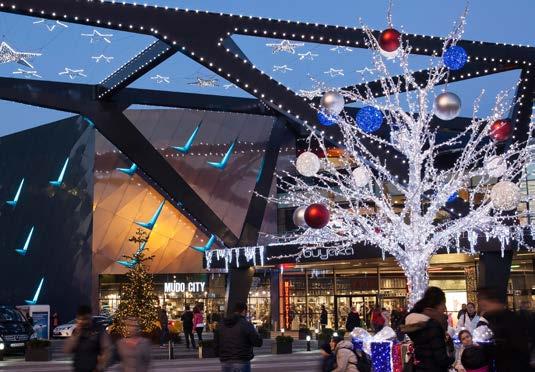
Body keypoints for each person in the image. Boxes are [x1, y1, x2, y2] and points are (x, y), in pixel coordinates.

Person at [476, 287, 531, 372]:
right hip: (502, 365)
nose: (480, 303)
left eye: (482, 300)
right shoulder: (490, 317)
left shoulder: (511, 319)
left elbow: (518, 348)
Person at [401, 287, 455, 371]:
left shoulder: (417, 323)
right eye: (443, 304)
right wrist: (452, 357)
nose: (444, 308)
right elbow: (441, 359)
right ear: (437, 305)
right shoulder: (433, 325)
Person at [214, 302, 263, 372]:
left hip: (225, 361)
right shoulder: (246, 324)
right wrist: (258, 334)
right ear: (244, 311)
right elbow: (258, 342)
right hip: (242, 360)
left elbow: (216, 343)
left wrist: (220, 355)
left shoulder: (221, 324)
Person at [64, 305, 111, 372]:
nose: (84, 321)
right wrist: (77, 333)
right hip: (78, 369)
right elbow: (67, 350)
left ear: (90, 317)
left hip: (94, 369)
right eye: (81, 319)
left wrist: (101, 366)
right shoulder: (76, 331)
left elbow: (107, 349)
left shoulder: (98, 329)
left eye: (86, 318)